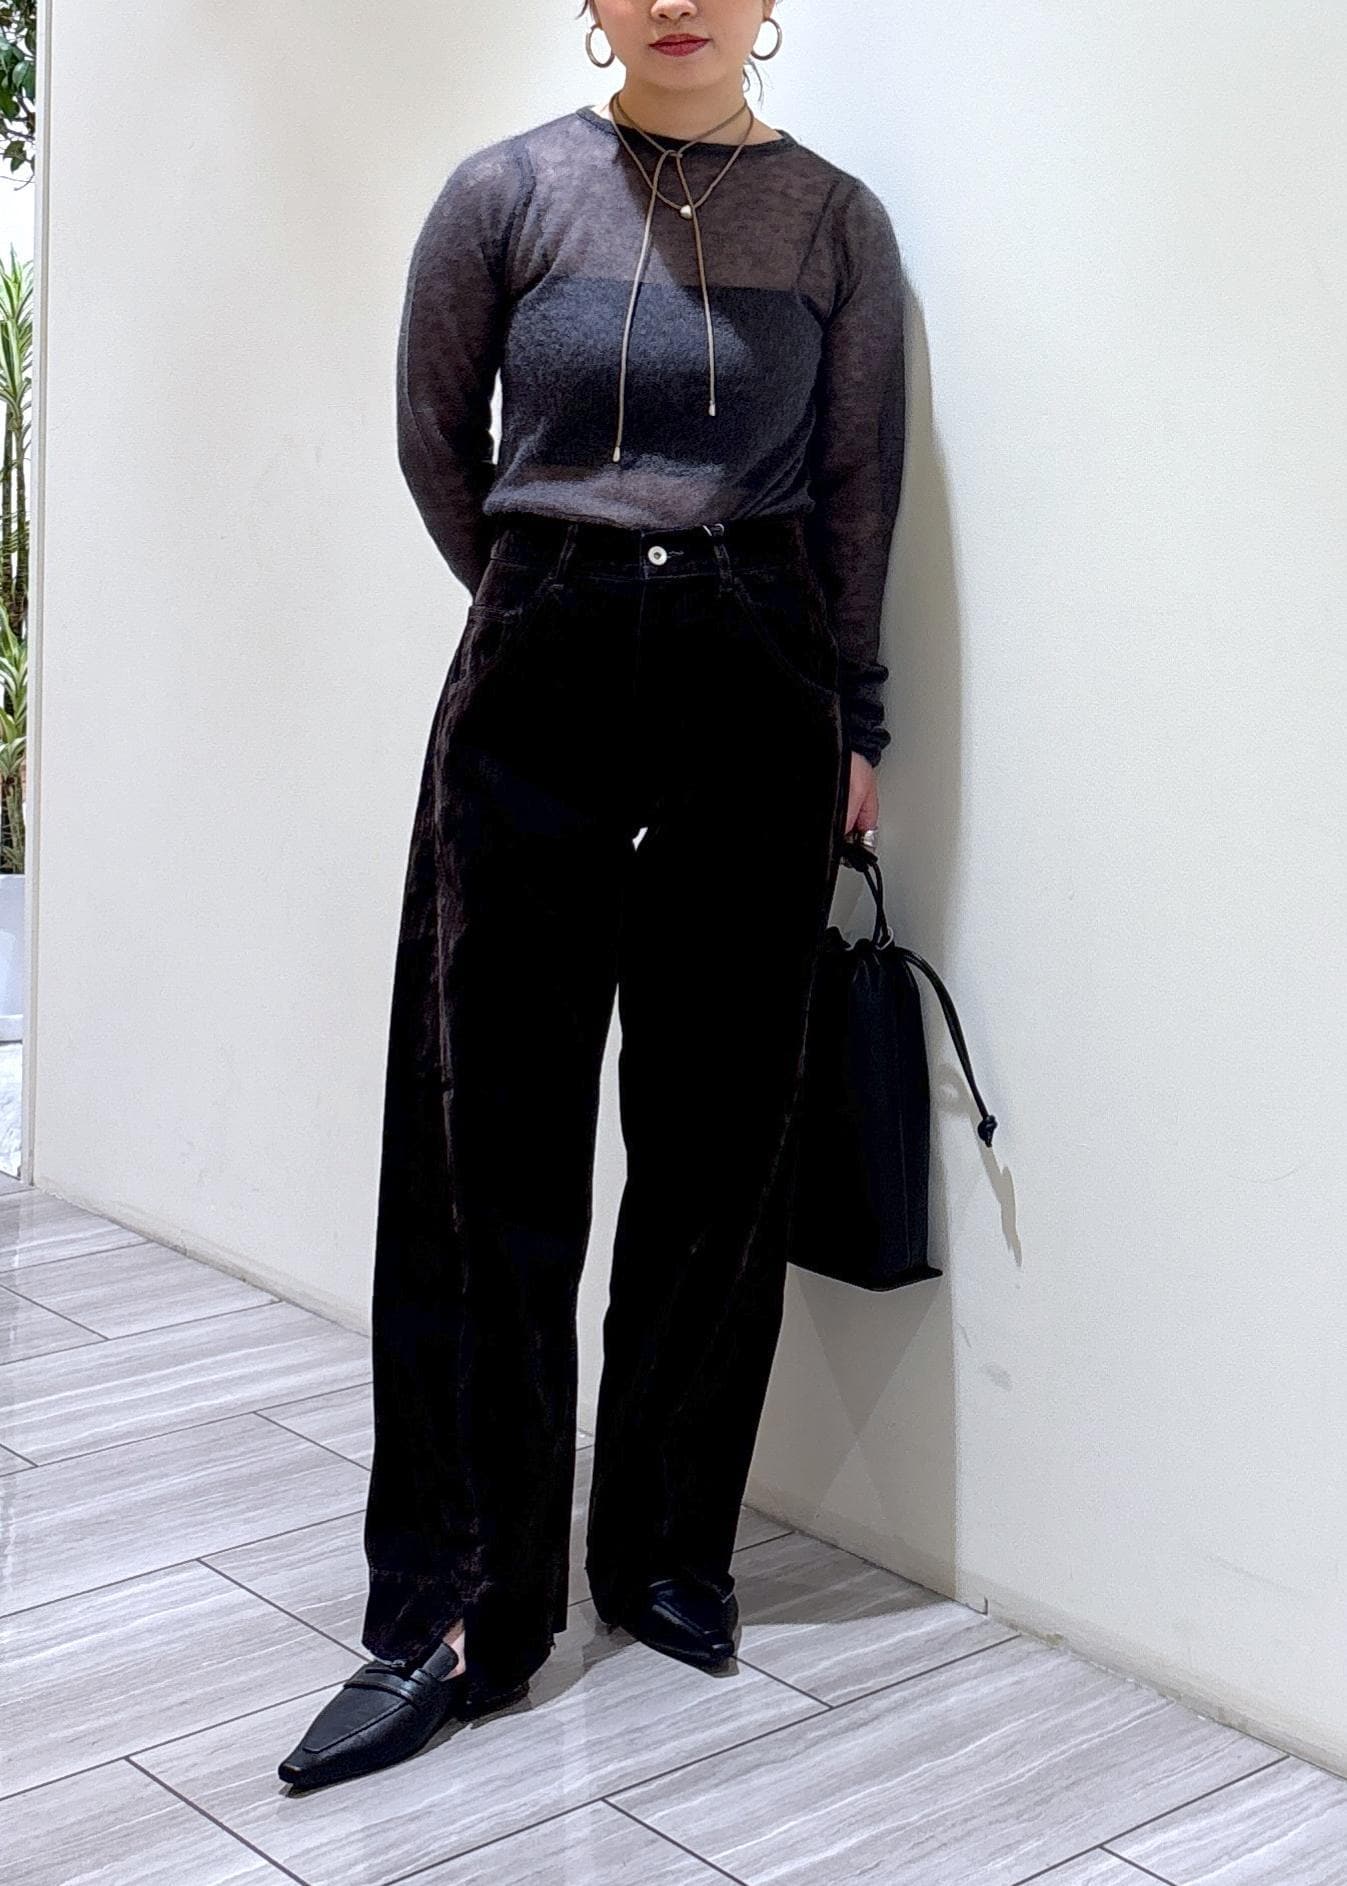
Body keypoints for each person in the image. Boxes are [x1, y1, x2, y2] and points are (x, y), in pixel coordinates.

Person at [278, 0, 905, 1791]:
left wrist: (855, 715)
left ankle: (663, 1546)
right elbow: (437, 443)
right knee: (482, 1147)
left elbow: (853, 487)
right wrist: (551, 593)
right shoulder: (502, 197)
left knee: (718, 1137)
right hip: (540, 666)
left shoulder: (835, 223)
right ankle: (459, 1604)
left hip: (759, 678)